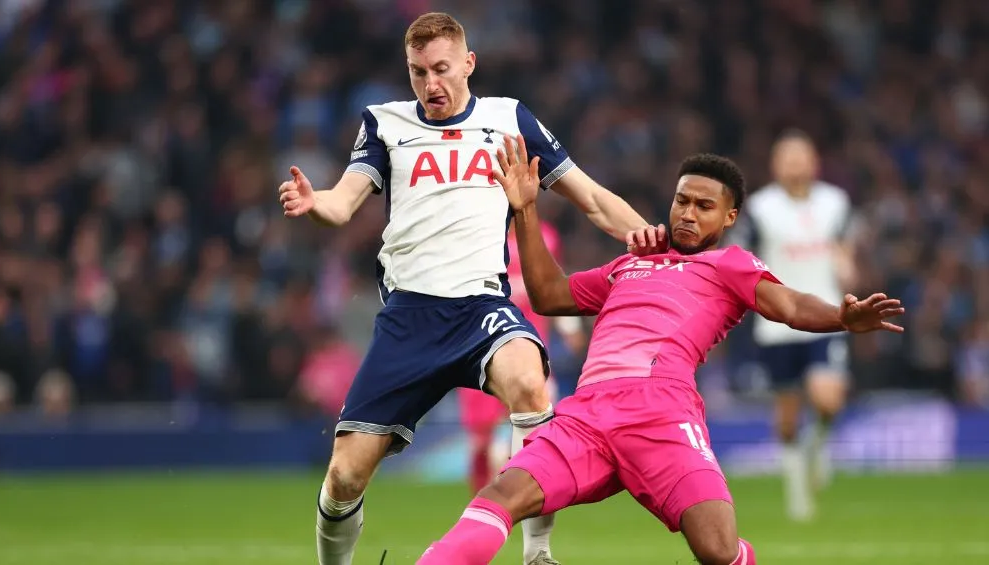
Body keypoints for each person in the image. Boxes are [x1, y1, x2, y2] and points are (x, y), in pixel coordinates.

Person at [276, 12, 653, 565]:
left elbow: (592, 197)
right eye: (418, 72)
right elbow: (343, 200)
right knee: (344, 477)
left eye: (441, 69)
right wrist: (316, 203)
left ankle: (538, 553)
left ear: (469, 63)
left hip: (481, 308)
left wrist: (649, 238)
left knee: (530, 384)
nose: (430, 83)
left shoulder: (509, 120)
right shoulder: (384, 123)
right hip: (409, 318)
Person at [417, 144, 905, 565]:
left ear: (730, 217)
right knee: (501, 495)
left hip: (662, 413)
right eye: (682, 201)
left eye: (704, 206)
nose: (688, 214)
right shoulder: (630, 263)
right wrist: (526, 210)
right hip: (587, 415)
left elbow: (790, 306)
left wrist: (842, 317)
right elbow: (549, 295)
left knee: (717, 549)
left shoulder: (728, 264)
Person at [730, 130, 857, 520]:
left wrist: (847, 268)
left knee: (827, 399)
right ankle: (798, 494)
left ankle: (817, 445)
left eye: (801, 157)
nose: (795, 165)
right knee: (787, 414)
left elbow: (844, 247)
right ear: (775, 165)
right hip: (778, 322)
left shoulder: (835, 202)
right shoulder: (761, 208)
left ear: (814, 162)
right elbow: (742, 256)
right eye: (787, 158)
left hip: (826, 314)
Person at [457, 221, 585, 494]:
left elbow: (553, 280)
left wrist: (569, 325)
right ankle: (484, 499)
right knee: (480, 440)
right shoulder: (477, 230)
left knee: (536, 426)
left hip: (530, 350)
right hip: (480, 348)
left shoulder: (545, 236)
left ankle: (525, 493)